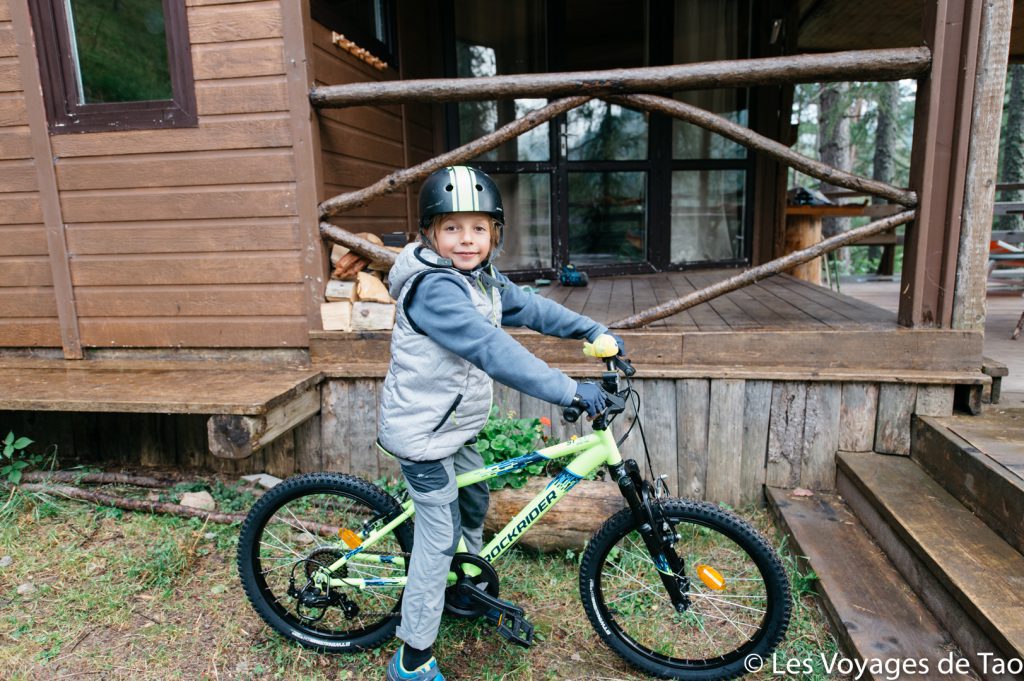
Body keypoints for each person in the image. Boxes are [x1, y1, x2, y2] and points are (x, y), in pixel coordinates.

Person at [377, 165, 623, 681]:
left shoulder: (479, 279)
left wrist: (591, 328)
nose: (466, 239)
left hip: (453, 429)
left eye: (478, 228)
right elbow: (492, 349)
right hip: (423, 437)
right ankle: (412, 656)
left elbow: (530, 308)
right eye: (451, 228)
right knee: (437, 538)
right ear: (430, 233)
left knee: (474, 500)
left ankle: (462, 585)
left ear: (494, 235)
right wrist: (570, 390)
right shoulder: (435, 289)